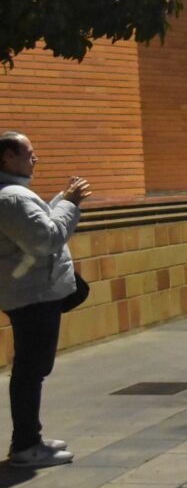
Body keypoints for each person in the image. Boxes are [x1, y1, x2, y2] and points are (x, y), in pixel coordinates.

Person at [0, 132, 90, 467]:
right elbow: (46, 239)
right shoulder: (12, 197)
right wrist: (70, 203)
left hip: (32, 291)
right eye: (29, 153)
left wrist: (61, 200)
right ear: (8, 157)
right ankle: (25, 446)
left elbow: (38, 227)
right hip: (33, 294)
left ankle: (30, 439)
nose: (34, 159)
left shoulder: (15, 195)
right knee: (30, 369)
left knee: (32, 368)